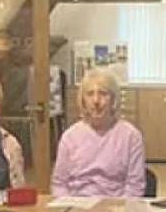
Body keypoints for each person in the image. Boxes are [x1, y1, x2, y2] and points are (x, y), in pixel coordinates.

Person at [51, 68, 145, 197]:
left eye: (103, 93)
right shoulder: (69, 137)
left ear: (113, 99)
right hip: (77, 208)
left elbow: (135, 186)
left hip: (116, 207)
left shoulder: (131, 136)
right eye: (90, 94)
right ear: (82, 100)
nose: (96, 100)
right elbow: (59, 183)